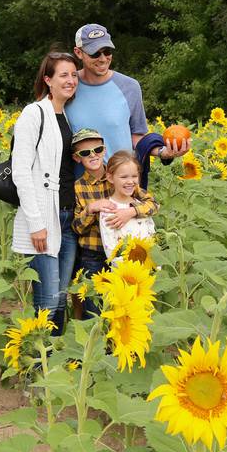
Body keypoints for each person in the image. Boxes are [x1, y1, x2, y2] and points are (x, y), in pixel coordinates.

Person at [11, 52, 79, 335]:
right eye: (63, 75)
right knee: (47, 301)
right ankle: (38, 370)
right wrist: (36, 225)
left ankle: (56, 370)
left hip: (67, 219)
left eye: (74, 75)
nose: (71, 80)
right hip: (43, 221)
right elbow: (21, 172)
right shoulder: (34, 113)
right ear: (47, 80)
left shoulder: (68, 116)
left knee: (62, 299)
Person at [66, 24, 191, 167]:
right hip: (80, 185)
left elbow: (137, 136)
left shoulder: (129, 87)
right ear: (78, 52)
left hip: (121, 182)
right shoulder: (67, 86)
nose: (103, 59)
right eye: (95, 53)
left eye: (107, 51)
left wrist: (164, 152)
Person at [71, 135, 158, 318]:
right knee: (94, 307)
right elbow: (77, 228)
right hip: (94, 254)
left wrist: (131, 211)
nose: (93, 155)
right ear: (77, 158)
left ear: (104, 149)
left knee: (123, 306)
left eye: (98, 149)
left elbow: (153, 204)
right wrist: (90, 209)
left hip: (125, 257)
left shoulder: (122, 177)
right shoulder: (78, 187)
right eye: (86, 153)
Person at [98, 151, 158, 259]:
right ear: (110, 178)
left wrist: (155, 266)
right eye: (124, 177)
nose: (130, 181)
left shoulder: (141, 205)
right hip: (126, 272)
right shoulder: (108, 210)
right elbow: (111, 250)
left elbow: (152, 235)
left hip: (149, 269)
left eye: (134, 176)